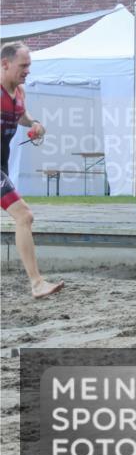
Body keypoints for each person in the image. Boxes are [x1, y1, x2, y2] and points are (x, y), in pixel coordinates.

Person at [1, 42, 64, 298]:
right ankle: (37, 283)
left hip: (2, 165)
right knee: (24, 215)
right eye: (23, 65)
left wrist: (35, 124)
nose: (28, 70)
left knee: (23, 217)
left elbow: (21, 115)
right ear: (5, 64)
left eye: (29, 65)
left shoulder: (19, 92)